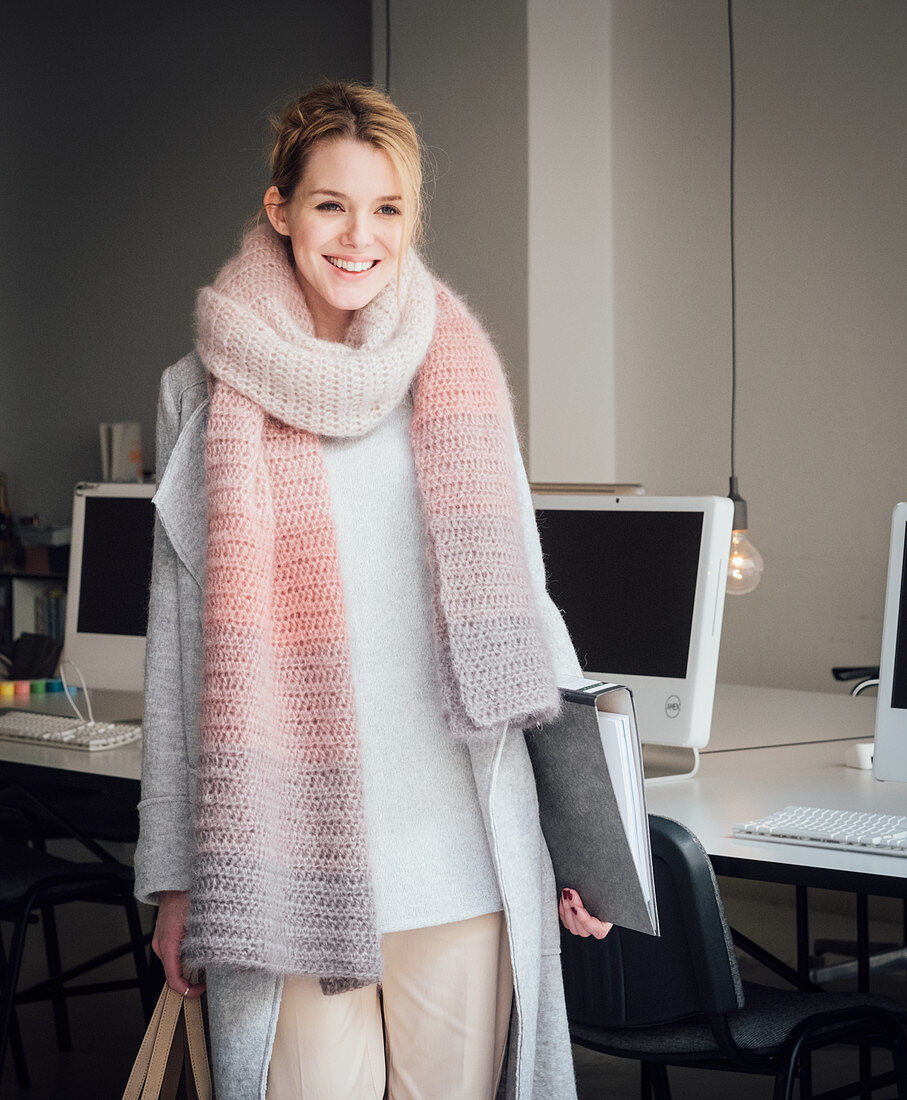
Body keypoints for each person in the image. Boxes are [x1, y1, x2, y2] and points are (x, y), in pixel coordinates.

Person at [134, 80, 611, 1100]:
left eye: (387, 208)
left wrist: (586, 837)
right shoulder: (200, 391)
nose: (360, 236)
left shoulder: (457, 371)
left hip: (463, 857)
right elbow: (177, 655)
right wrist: (173, 879)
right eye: (330, 204)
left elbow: (526, 603)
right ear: (281, 211)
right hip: (286, 867)